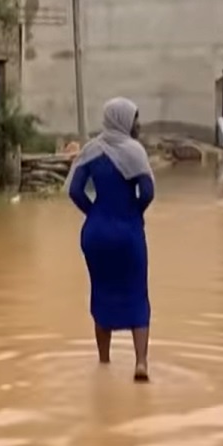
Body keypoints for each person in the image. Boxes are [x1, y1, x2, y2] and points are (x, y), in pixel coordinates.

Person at [67, 98, 155, 382]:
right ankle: (140, 363)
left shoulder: (92, 150)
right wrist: (134, 212)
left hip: (95, 234)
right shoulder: (134, 151)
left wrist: (94, 213)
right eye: (135, 119)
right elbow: (148, 191)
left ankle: (104, 361)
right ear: (124, 120)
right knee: (137, 293)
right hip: (127, 231)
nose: (138, 125)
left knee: (101, 292)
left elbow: (75, 191)